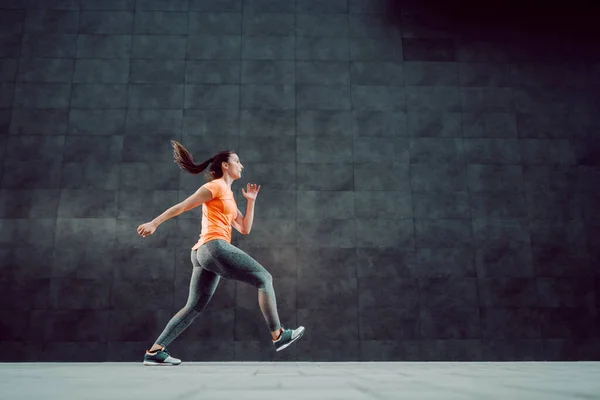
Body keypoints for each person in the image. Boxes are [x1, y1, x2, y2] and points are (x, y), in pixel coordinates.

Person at [136, 140, 305, 366]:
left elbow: (244, 228)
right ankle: (278, 334)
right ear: (225, 165)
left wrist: (251, 202)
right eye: (237, 161)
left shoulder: (228, 195)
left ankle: (154, 351)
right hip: (212, 247)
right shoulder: (215, 187)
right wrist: (154, 223)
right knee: (264, 278)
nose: (241, 165)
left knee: (194, 306)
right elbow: (183, 206)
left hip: (203, 254)